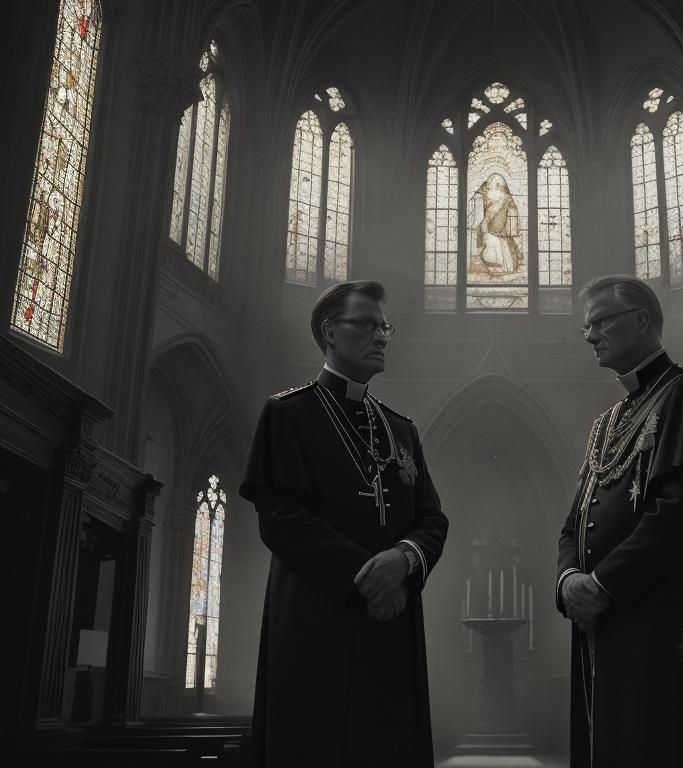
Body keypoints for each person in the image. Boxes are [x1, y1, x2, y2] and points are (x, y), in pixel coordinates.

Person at [239, 280, 448, 767]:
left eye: (384, 327)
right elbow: (283, 519)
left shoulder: (400, 429)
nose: (381, 336)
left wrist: (404, 560)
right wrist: (370, 581)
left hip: (391, 627)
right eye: (366, 324)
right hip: (316, 622)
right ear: (330, 331)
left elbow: (431, 517)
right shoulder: (287, 414)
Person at [555, 275, 683, 767]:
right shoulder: (605, 424)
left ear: (642, 320)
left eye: (600, 322)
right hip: (603, 628)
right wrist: (568, 581)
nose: (591, 335)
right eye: (586, 328)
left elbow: (680, 515)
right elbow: (573, 523)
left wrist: (601, 584)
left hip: (661, 629)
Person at [470, 173, 522, 275]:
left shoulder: (507, 203)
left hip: (502, 239)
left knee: (499, 248)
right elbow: (484, 222)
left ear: (498, 187)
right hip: (492, 237)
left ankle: (502, 266)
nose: (487, 192)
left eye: (489, 188)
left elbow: (512, 228)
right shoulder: (491, 206)